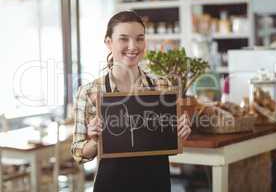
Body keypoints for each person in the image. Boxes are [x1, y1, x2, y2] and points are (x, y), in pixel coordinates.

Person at [71, 10, 192, 192]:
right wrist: (96, 141)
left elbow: (169, 142)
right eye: (124, 39)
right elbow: (78, 153)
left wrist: (180, 131)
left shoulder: (162, 85)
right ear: (108, 42)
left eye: (139, 38)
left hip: (156, 183)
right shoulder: (89, 92)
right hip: (111, 184)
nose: (133, 46)